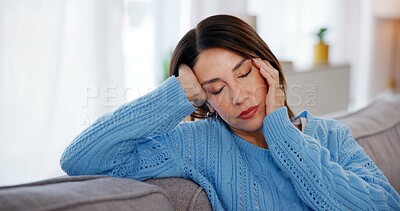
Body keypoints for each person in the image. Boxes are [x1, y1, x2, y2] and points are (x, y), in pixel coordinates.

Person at [60, 15, 400, 210]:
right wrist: (176, 95)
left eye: (243, 73)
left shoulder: (331, 136)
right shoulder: (200, 144)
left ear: (266, 66)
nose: (238, 96)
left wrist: (281, 131)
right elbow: (81, 159)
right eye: (216, 88)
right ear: (204, 101)